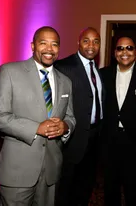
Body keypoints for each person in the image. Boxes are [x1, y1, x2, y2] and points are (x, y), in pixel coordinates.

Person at [0, 26, 76, 206]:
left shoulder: (65, 81)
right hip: (18, 170)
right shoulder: (10, 72)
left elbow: (70, 117)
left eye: (54, 44)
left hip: (51, 170)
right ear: (33, 46)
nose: (49, 49)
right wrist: (35, 128)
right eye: (43, 43)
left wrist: (65, 127)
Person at [100, 36, 136, 206]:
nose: (124, 52)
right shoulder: (102, 75)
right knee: (110, 189)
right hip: (109, 142)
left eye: (129, 48)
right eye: (120, 48)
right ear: (114, 52)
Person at [54, 27, 103, 206]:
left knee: (85, 185)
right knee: (65, 189)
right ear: (78, 42)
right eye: (86, 40)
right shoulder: (63, 67)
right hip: (72, 139)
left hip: (94, 138)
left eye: (96, 41)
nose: (91, 45)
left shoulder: (97, 69)